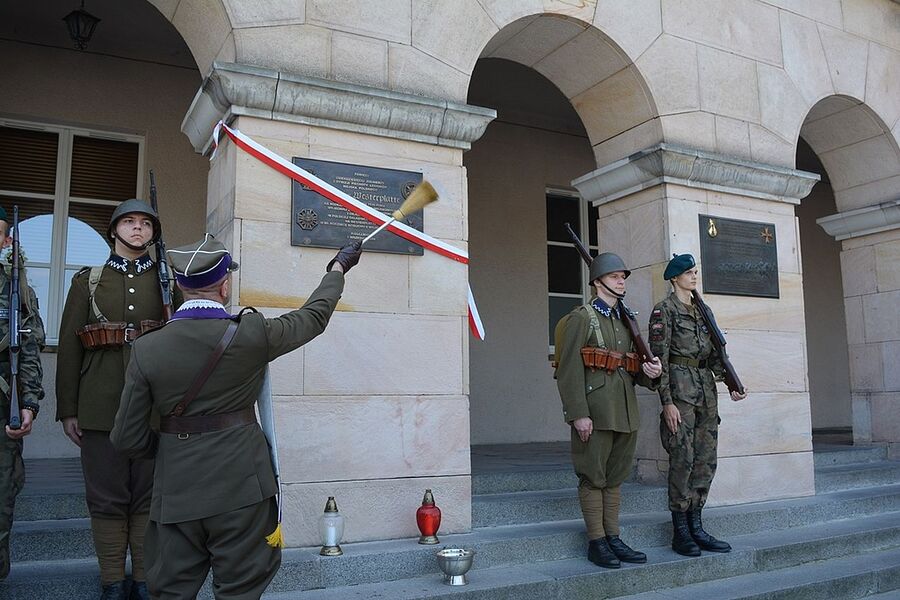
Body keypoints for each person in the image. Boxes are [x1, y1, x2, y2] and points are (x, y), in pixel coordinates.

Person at [110, 234, 361, 599]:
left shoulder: (147, 348)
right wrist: (337, 268)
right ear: (225, 286)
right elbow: (313, 317)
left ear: (179, 285)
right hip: (243, 487)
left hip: (177, 492)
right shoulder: (252, 333)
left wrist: (171, 446)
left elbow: (125, 438)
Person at [56, 199, 177, 600]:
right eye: (129, 222)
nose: (138, 229)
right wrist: (69, 409)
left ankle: (143, 579)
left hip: (153, 408)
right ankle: (111, 580)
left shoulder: (167, 282)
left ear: (154, 233)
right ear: (114, 230)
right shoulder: (88, 281)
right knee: (106, 498)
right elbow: (71, 350)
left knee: (146, 497)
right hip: (100, 405)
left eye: (145, 223)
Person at [556, 252, 662, 569]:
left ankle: (613, 537)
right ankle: (597, 541)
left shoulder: (624, 320)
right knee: (593, 477)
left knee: (615, 478)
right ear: (598, 281)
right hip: (596, 410)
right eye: (615, 276)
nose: (621, 281)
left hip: (624, 410)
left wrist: (650, 373)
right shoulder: (582, 318)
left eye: (623, 277)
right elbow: (568, 369)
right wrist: (578, 414)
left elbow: (632, 369)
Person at [649, 253, 747, 557]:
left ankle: (697, 525)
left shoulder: (704, 311)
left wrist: (731, 383)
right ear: (674, 278)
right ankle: (680, 531)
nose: (694, 277)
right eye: (689, 273)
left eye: (695, 272)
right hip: (680, 393)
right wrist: (667, 403)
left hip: (706, 393)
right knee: (683, 459)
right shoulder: (664, 311)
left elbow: (716, 352)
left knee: (706, 459)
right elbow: (659, 361)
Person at [0, 206, 45, 580]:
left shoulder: (18, 291)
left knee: (2, 505)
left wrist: (28, 403)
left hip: (3, 414)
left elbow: (29, 350)